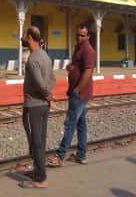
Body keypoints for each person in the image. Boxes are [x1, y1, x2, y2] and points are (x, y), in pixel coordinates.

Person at [47, 24, 95, 167]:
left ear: (88, 36)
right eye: (77, 35)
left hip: (79, 93)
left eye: (82, 35)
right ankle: (81, 155)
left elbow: (88, 72)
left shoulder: (88, 50)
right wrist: (70, 67)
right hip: (78, 92)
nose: (79, 37)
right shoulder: (79, 48)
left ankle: (60, 156)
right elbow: (77, 67)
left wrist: (78, 88)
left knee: (70, 123)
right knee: (81, 124)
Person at [19, 26, 55, 189]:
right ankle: (37, 171)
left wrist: (47, 95)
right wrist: (48, 94)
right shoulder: (45, 56)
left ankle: (40, 178)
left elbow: (40, 84)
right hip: (42, 106)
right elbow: (52, 79)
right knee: (40, 139)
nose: (22, 38)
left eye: (24, 35)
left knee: (35, 141)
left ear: (29, 37)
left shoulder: (33, 59)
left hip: (33, 104)